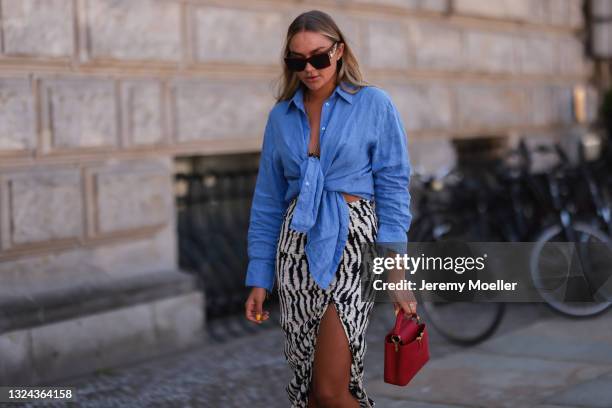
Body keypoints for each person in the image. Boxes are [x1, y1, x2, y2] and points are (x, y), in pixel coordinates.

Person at [244, 9, 416, 408]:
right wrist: (259, 275)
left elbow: (393, 186)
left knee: (329, 390)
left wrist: (395, 270)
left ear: (339, 51)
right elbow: (268, 200)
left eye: (319, 57)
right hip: (296, 250)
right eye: (297, 60)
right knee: (313, 392)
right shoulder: (281, 116)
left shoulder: (373, 103)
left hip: (353, 245)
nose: (309, 68)